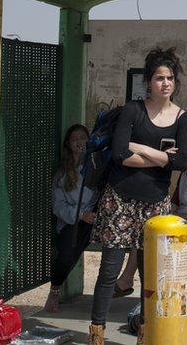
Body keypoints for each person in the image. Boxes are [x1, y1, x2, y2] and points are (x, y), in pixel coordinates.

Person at [88, 47, 187, 345]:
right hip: (120, 198)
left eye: (170, 78)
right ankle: (97, 332)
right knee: (110, 271)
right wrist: (161, 157)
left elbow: (181, 162)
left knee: (151, 274)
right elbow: (120, 154)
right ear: (148, 81)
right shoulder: (133, 110)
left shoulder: (182, 118)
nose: (165, 83)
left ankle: (146, 334)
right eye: (159, 78)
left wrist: (143, 148)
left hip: (156, 203)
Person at [44, 124, 109, 312]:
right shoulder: (62, 173)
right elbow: (58, 205)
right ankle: (55, 290)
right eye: (75, 139)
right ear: (68, 144)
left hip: (94, 222)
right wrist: (80, 215)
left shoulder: (97, 165)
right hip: (72, 221)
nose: (80, 142)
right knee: (66, 258)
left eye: (83, 138)